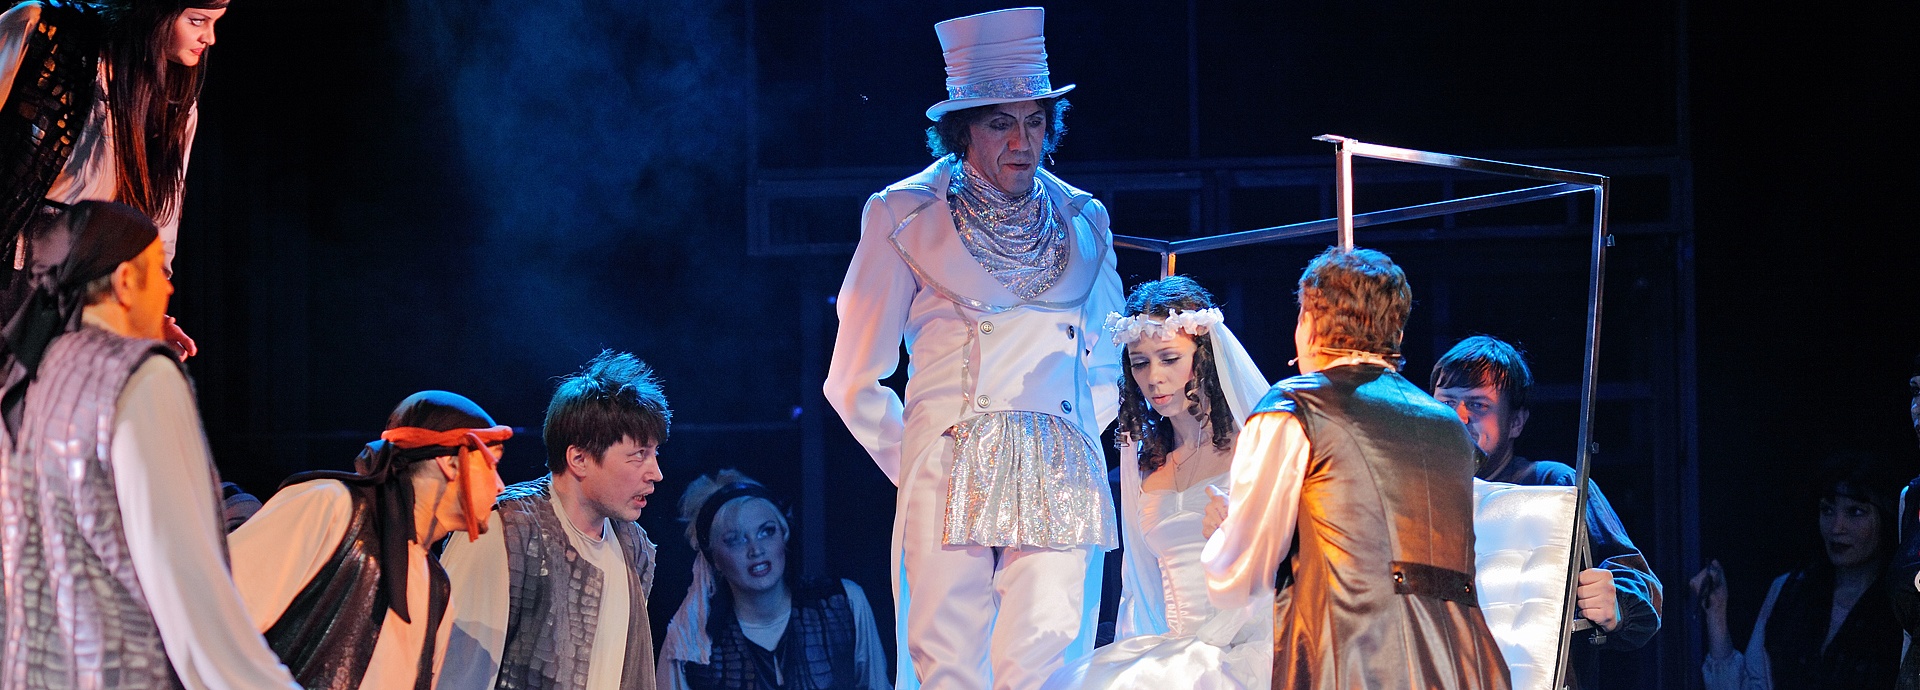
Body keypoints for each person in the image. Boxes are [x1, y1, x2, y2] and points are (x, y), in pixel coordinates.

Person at [821, 7, 1123, 690]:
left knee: (1047, 666)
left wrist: (1071, 436)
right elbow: (852, 380)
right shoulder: (904, 214)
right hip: (949, 469)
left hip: (1060, 473)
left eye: (1035, 121)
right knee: (949, 668)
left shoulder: (1084, 218)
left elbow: (1107, 364)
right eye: (999, 123)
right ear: (962, 130)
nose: (1022, 141)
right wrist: (923, 459)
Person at [0, 200, 297, 688]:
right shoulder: (139, 376)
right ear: (124, 283)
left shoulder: (25, 379)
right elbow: (183, 578)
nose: (169, 287)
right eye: (158, 269)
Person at [1201, 247, 1509, 689]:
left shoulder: (1295, 406)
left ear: (1310, 318)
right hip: (1464, 664)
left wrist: (1226, 529)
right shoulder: (1449, 426)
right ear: (1394, 328)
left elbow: (1238, 574)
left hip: (1356, 659)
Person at [1043, 277, 1271, 690]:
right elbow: (1140, 581)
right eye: (1140, 363)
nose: (1153, 377)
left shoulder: (1255, 446)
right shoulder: (1145, 461)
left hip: (1249, 645)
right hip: (1174, 653)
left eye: (1169, 358)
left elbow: (1289, 567)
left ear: (1204, 357)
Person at [227, 390, 509, 689]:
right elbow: (214, 611)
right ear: (449, 462)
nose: (500, 486)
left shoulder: (437, 589)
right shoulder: (331, 508)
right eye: (492, 464)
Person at [1429, 335, 1663, 680]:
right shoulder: (1417, 491)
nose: (1459, 416)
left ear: (1516, 421)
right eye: (1447, 402)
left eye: (1478, 405)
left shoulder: (1552, 484)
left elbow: (1642, 584)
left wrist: (1616, 605)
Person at [1, 0, 228, 355]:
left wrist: (147, 309)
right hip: (17, 254)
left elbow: (160, 225)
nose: (209, 38)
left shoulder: (176, 104)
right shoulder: (42, 29)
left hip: (95, 277)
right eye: (197, 20)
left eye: (215, 22)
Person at [438, 350, 668, 690]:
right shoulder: (504, 529)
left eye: (655, 454)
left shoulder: (634, 548)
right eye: (638, 456)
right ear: (579, 458)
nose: (656, 473)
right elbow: (453, 672)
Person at [657, 470, 893, 690]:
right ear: (714, 558)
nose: (756, 550)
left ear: (784, 534)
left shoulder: (844, 602)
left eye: (766, 531)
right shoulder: (688, 641)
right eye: (735, 539)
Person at [1690, 460, 1903, 689]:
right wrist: (1717, 613)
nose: (1836, 527)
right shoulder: (1790, 590)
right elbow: (1756, 683)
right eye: (1828, 510)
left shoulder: (1902, 604)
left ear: (1886, 518)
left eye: (1855, 512)